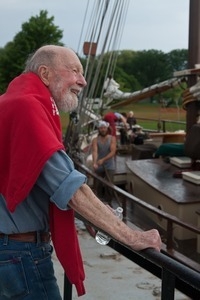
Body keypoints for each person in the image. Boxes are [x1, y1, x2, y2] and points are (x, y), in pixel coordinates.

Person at [0, 45, 162, 299]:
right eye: (75, 71)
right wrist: (131, 236)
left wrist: (100, 214)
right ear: (45, 73)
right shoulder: (26, 109)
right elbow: (71, 190)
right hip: (20, 254)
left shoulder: (11, 102)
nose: (83, 81)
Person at [92, 120, 116, 204]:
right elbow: (95, 151)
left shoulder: (112, 139)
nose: (103, 129)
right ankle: (98, 201)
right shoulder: (95, 140)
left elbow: (113, 152)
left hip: (109, 164)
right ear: (99, 129)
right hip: (99, 164)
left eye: (104, 128)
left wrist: (103, 160)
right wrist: (95, 162)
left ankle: (109, 201)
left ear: (107, 128)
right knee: (98, 184)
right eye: (101, 128)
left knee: (109, 184)